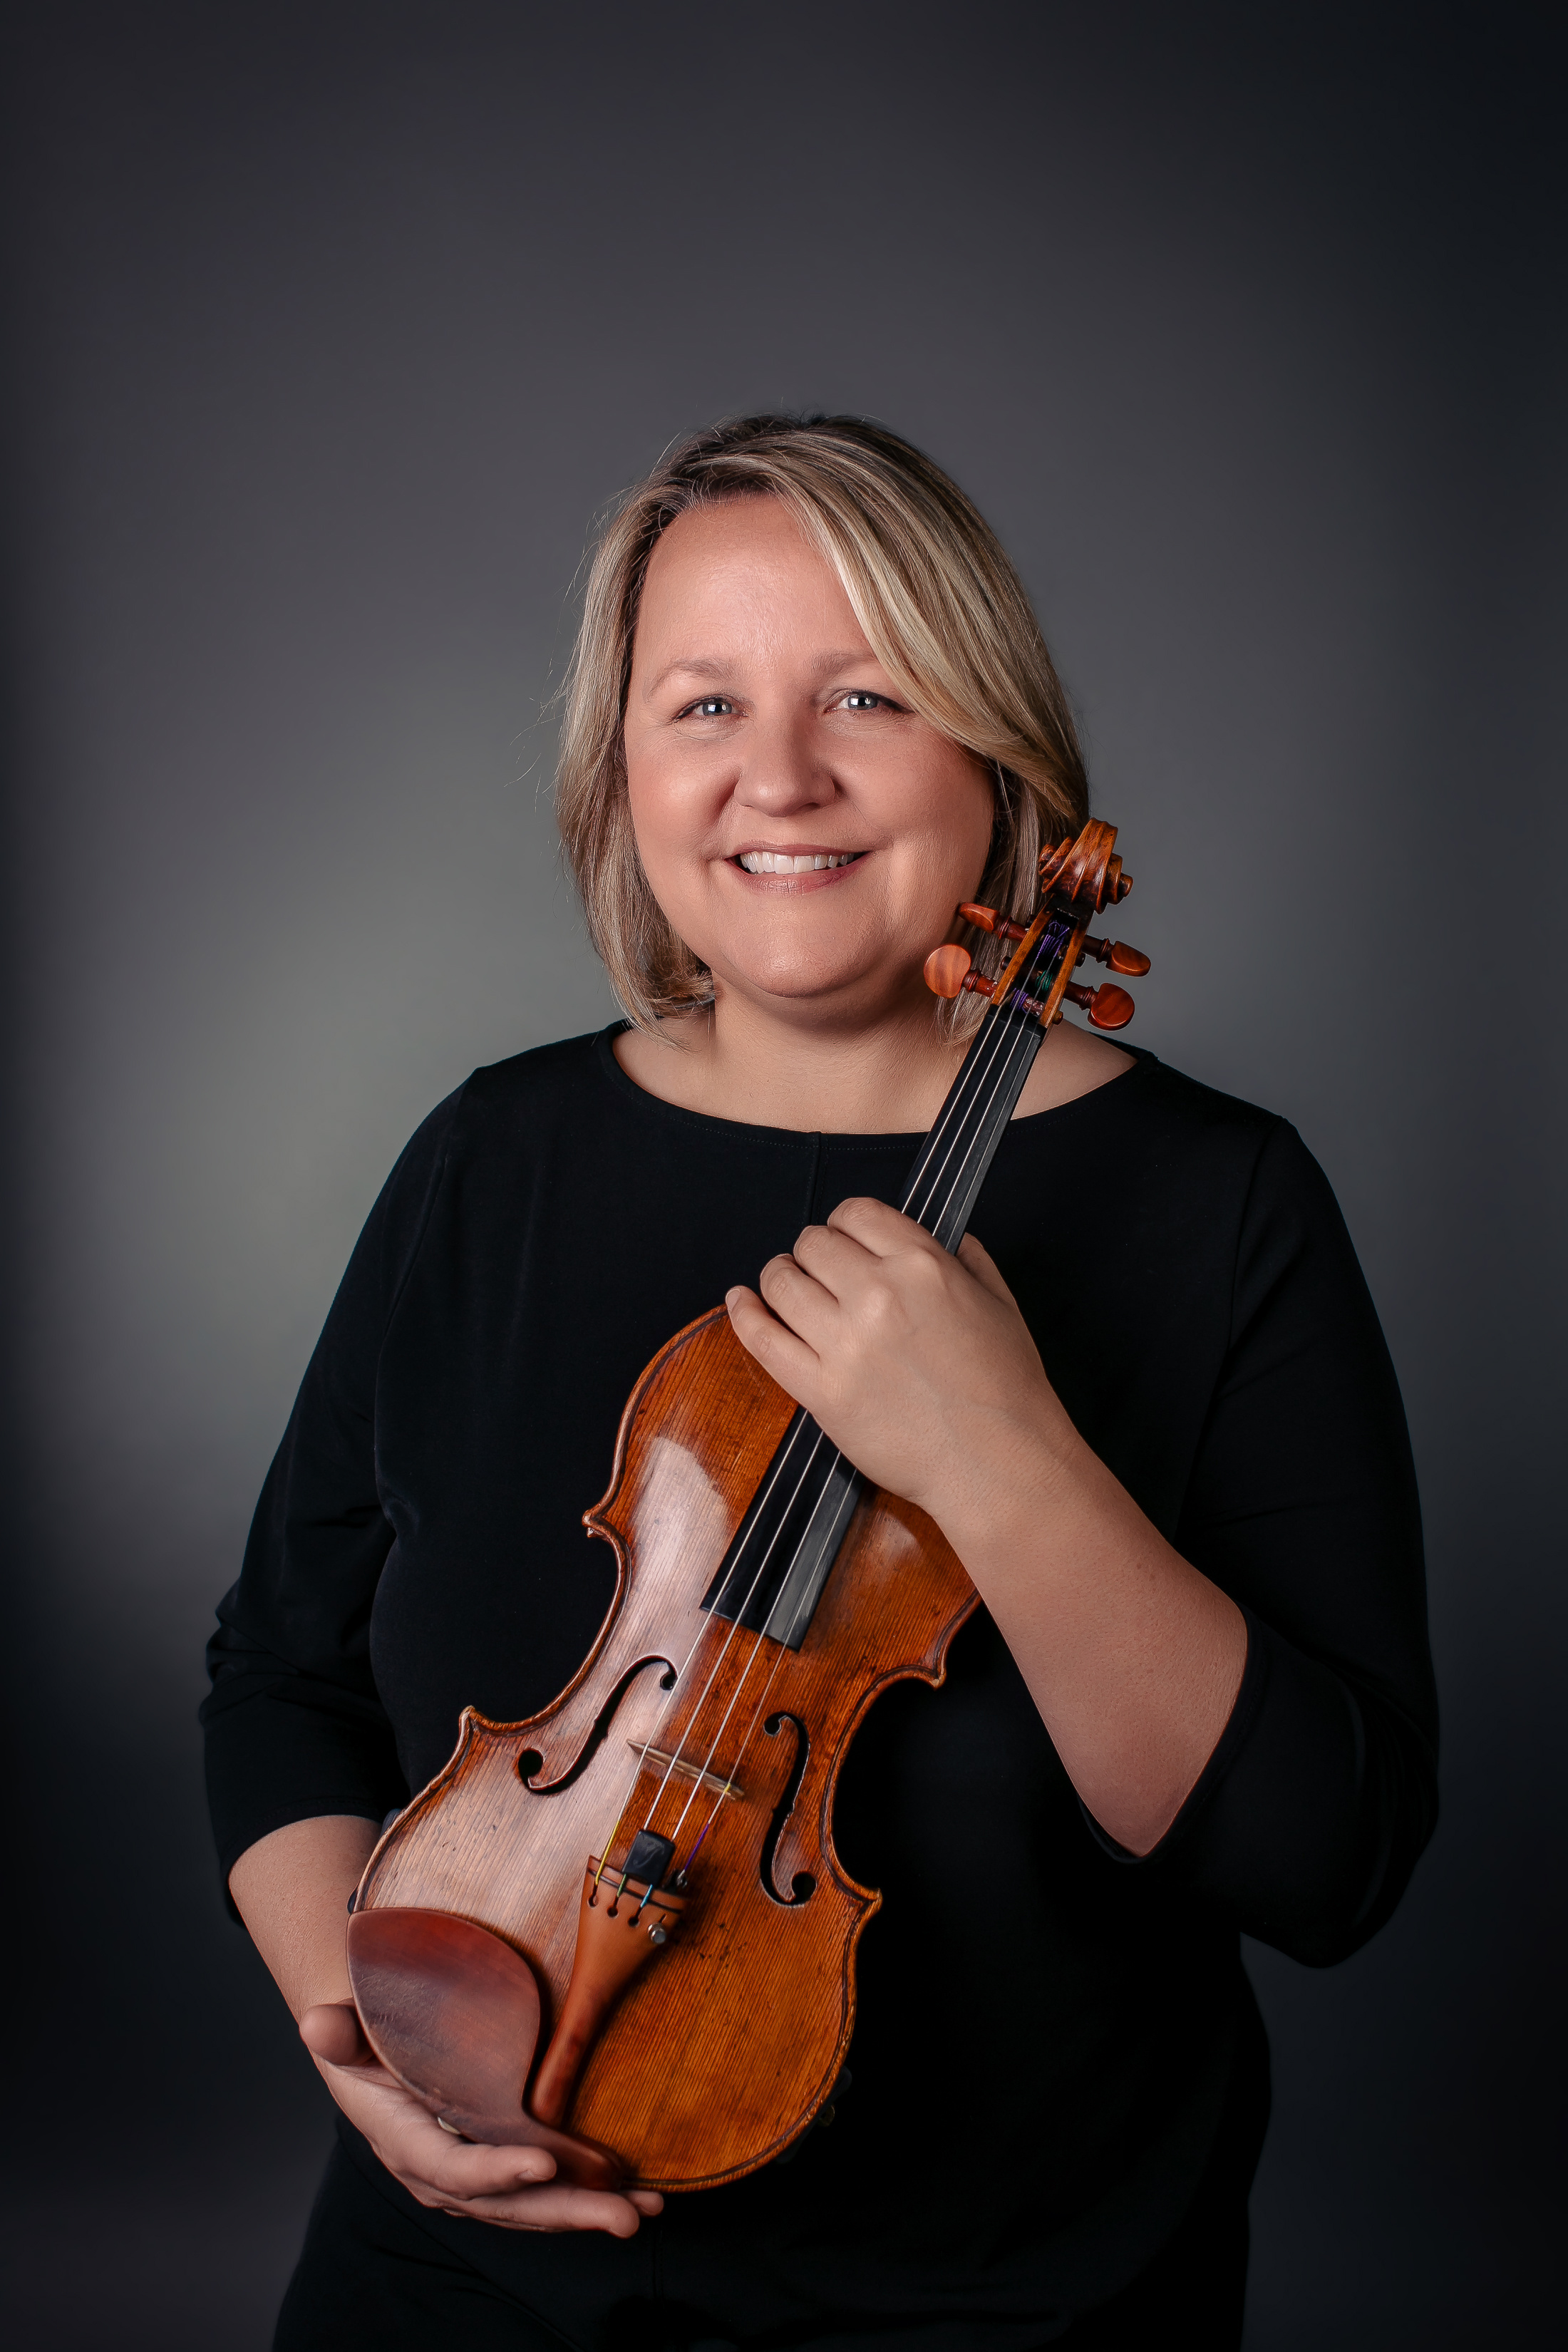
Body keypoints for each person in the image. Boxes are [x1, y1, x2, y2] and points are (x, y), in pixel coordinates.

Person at [205, 415, 1437, 2349]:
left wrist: (1002, 1455)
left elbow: (1324, 1861)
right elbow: (280, 1674)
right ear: (625, 773)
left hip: (1013, 2309)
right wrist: (351, 2036)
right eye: (703, 703)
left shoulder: (1224, 1202)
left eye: (867, 693)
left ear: (993, 752)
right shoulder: (489, 1161)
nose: (778, 774)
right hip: (451, 2281)